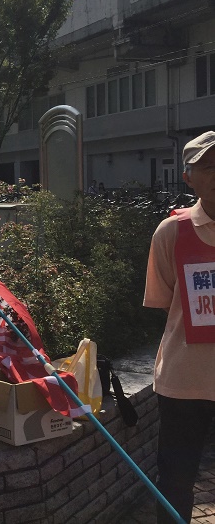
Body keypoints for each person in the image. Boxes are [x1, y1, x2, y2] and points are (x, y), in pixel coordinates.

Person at [144, 130, 215, 523]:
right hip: (183, 383)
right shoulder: (171, 232)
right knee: (175, 480)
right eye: (208, 166)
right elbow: (166, 302)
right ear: (188, 177)